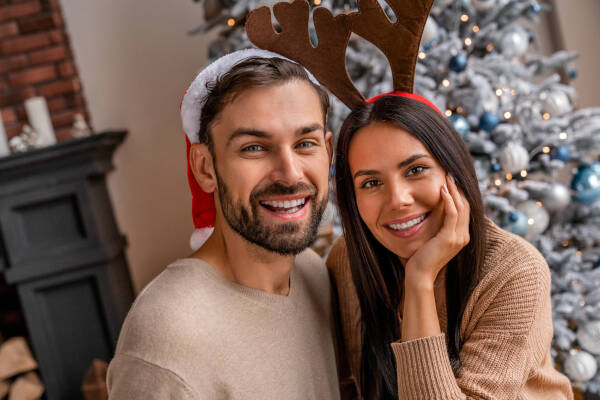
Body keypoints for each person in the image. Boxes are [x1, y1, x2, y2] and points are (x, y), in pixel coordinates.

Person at [107, 49, 340, 399]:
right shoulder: (167, 342)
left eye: (305, 143)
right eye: (254, 148)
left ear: (328, 151)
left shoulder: (311, 274)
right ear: (204, 167)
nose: (290, 174)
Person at [327, 93, 574, 400]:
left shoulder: (515, 271)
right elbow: (347, 386)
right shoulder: (347, 260)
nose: (398, 199)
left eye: (416, 170)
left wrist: (419, 280)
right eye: (371, 183)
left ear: (452, 170)